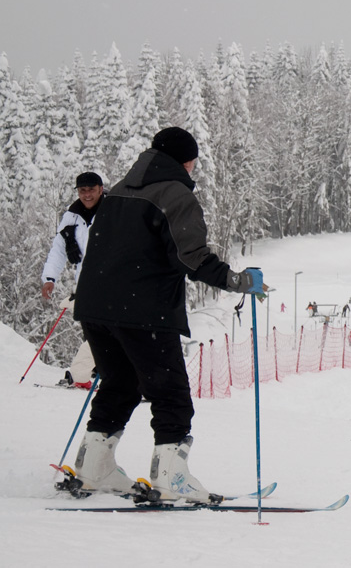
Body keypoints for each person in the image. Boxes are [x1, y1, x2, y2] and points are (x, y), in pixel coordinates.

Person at [71, 127, 265, 502]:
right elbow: (191, 256)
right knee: (171, 393)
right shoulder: (174, 194)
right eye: (193, 161)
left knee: (120, 383)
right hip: (143, 310)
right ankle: (170, 477)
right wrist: (238, 281)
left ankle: (93, 467)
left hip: (96, 308)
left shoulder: (117, 194)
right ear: (186, 160)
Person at [40, 171, 106, 387]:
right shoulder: (71, 216)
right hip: (85, 284)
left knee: (108, 332)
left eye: (91, 190)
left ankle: (86, 375)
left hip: (112, 284)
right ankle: (86, 376)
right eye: (82, 190)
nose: (86, 195)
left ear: (100, 189)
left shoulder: (113, 211)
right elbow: (58, 249)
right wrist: (50, 277)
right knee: (97, 333)